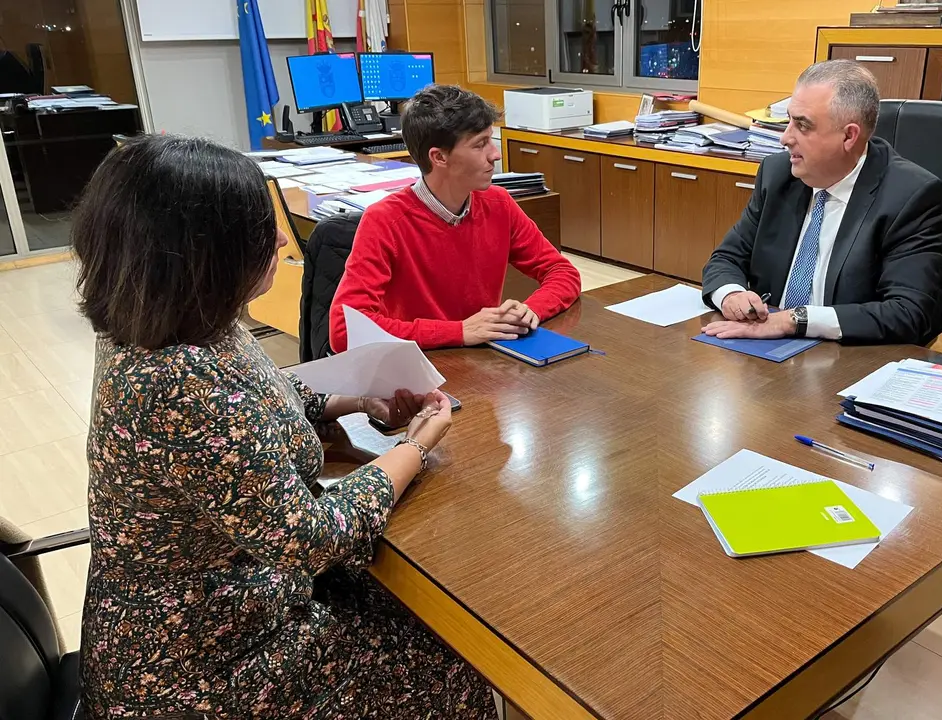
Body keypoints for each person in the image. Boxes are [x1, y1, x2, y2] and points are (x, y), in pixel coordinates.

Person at [73, 135, 498, 720]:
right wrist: (415, 448)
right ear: (200, 252)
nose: (279, 238)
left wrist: (359, 403)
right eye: (257, 229)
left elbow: (267, 390)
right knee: (456, 657)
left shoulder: (181, 322)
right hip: (199, 664)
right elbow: (310, 540)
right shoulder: (175, 380)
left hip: (232, 604)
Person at [700, 60, 942, 345]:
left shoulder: (910, 195)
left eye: (802, 125)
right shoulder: (778, 174)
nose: (784, 138)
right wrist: (731, 295)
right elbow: (726, 258)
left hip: (846, 359)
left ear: (849, 136)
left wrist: (795, 321)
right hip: (762, 349)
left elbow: (907, 312)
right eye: (788, 120)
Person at [329, 84, 581, 352]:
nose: (495, 154)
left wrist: (531, 310)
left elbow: (562, 272)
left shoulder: (499, 204)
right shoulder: (385, 221)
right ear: (439, 157)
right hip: (418, 372)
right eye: (480, 145)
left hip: (486, 363)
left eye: (490, 140)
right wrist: (459, 331)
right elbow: (344, 330)